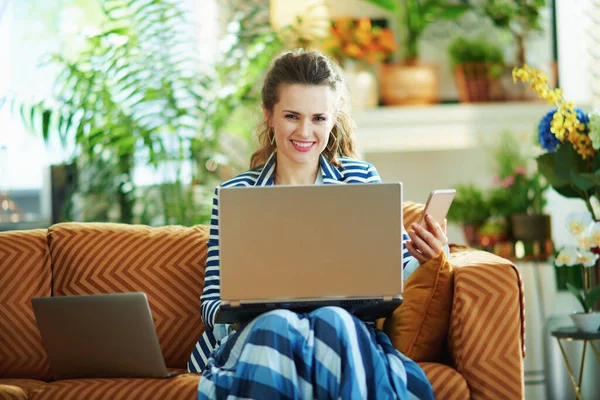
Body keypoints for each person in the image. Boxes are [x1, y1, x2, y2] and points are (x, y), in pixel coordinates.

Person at [188, 49, 448, 399]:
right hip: (258, 331)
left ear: (333, 119)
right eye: (292, 116)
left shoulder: (361, 179)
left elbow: (397, 272)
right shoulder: (236, 193)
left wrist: (429, 256)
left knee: (334, 320)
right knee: (278, 323)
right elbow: (210, 302)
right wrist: (241, 304)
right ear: (269, 115)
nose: (305, 131)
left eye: (318, 118)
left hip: (340, 327)